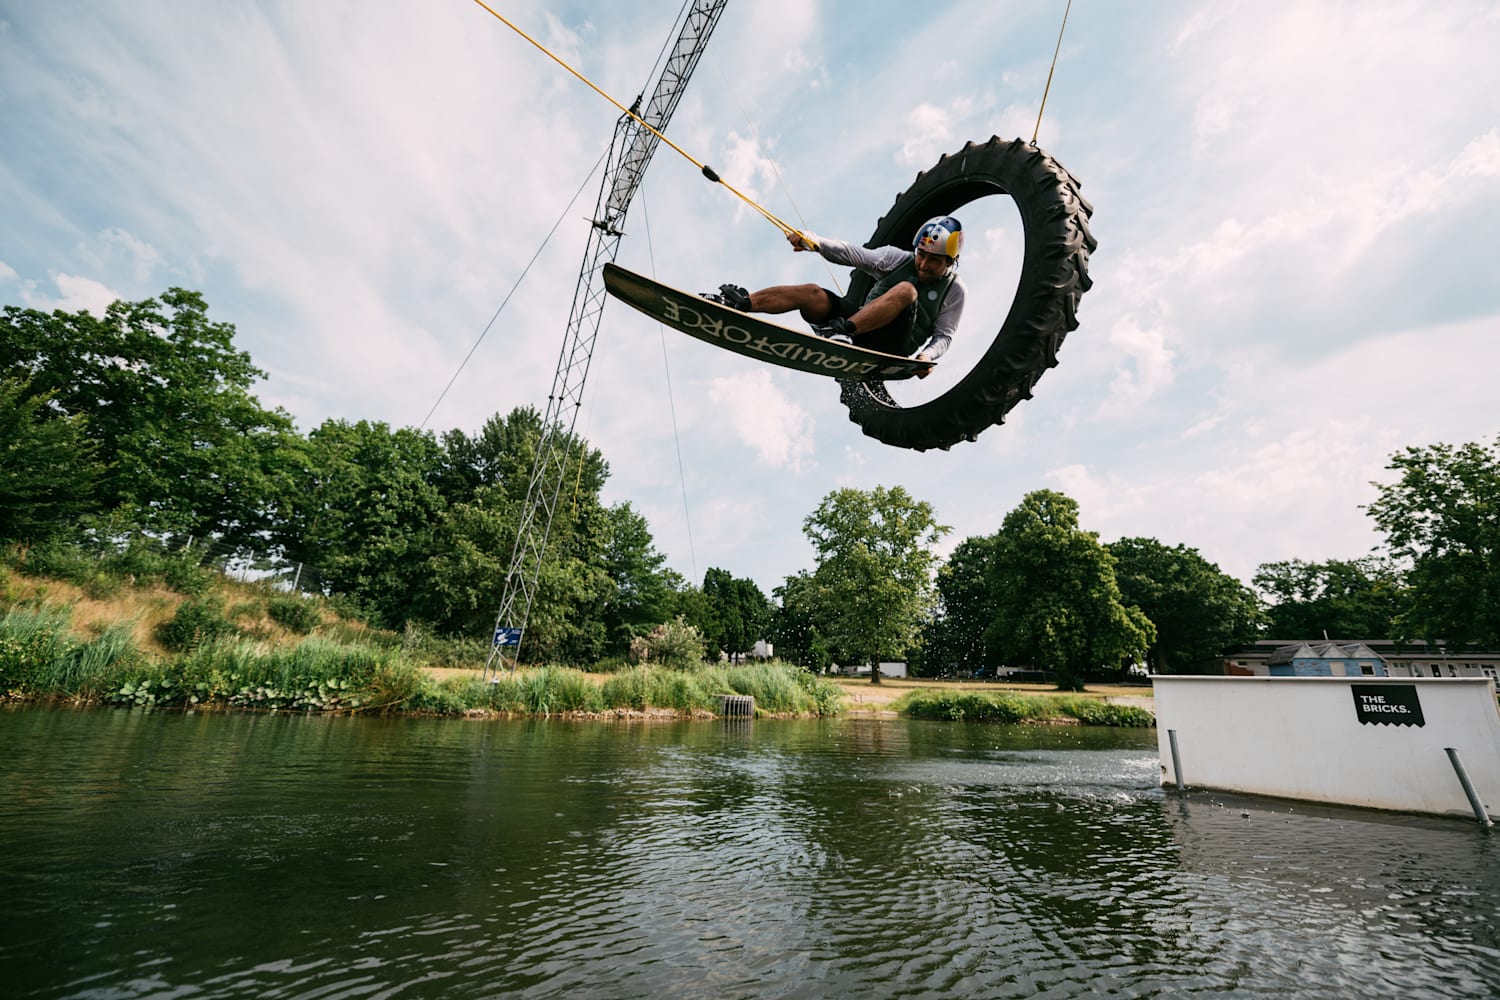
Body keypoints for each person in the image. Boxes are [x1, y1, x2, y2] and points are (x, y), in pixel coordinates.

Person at [705, 215, 966, 379]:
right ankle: (739, 303)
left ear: (950, 261)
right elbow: (854, 254)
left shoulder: (954, 290)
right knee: (812, 293)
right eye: (922, 255)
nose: (923, 265)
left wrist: (926, 357)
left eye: (934, 260)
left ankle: (845, 334)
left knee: (907, 291)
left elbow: (944, 336)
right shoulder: (898, 259)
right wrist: (814, 242)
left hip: (891, 348)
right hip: (860, 326)